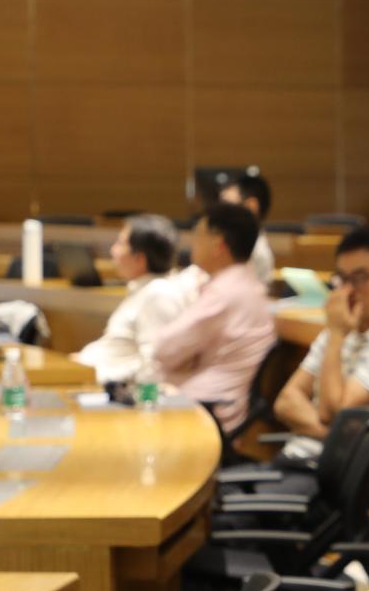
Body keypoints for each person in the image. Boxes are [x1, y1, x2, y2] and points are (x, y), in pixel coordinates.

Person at [272, 225, 369, 466]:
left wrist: (336, 335)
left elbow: (334, 414)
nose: (347, 291)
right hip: (296, 458)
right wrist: (331, 436)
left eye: (360, 278)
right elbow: (285, 402)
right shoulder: (341, 328)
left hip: (324, 473)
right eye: (342, 279)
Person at [150, 202, 275, 423]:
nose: (192, 243)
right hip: (217, 400)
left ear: (218, 245)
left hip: (208, 407)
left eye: (198, 236)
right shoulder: (246, 284)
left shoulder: (224, 292)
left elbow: (164, 348)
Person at [72, 213, 195, 384]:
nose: (113, 250)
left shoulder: (159, 295)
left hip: (108, 390)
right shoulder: (146, 289)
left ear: (140, 258)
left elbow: (153, 368)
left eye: (120, 243)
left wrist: (95, 373)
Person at [217, 169, 276, 286]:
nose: (217, 214)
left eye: (227, 206)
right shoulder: (231, 243)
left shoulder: (256, 252)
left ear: (251, 207)